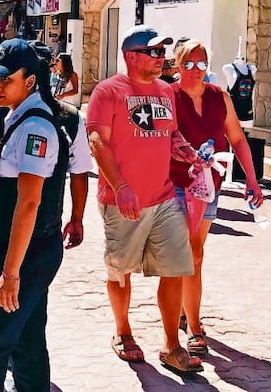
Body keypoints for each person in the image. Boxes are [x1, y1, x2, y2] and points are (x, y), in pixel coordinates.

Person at [0, 39, 89, 391]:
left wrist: (10, 273)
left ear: (30, 81)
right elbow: (10, 177)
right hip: (22, 247)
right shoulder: (18, 115)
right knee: (25, 339)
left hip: (25, 252)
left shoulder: (35, 128)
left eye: (5, 79)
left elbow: (29, 203)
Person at [85, 24, 206, 374]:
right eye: (153, 52)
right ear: (131, 56)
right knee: (120, 271)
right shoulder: (108, 92)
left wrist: (184, 150)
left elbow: (169, 133)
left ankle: (171, 345)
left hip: (165, 197)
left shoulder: (166, 91)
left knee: (176, 268)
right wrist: (121, 187)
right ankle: (123, 331)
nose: (161, 58)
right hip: (123, 198)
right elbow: (98, 142)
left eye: (162, 52)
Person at [171, 39, 264, 356]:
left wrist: (251, 179)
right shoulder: (168, 96)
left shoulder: (219, 97)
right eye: (188, 64)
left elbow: (237, 139)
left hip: (209, 185)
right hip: (177, 184)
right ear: (178, 65)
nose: (195, 70)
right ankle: (194, 329)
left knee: (197, 252)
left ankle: (186, 310)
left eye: (200, 64)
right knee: (191, 254)